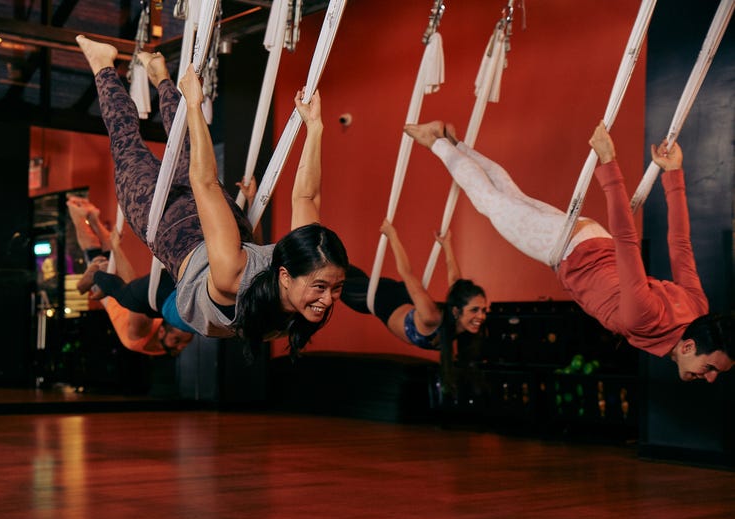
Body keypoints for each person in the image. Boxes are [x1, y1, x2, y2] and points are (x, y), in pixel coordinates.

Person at [74, 38, 348, 360]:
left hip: (172, 227)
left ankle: (104, 64)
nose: (328, 299)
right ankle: (158, 76)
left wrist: (194, 104)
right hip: (201, 228)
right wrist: (314, 127)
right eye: (322, 287)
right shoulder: (263, 268)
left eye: (334, 288)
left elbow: (206, 182)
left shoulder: (255, 277)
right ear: (284, 274)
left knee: (127, 146)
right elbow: (305, 196)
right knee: (183, 143)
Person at [404, 120, 735, 382]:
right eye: (709, 369)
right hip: (565, 248)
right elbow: (627, 242)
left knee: (509, 196)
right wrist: (608, 164)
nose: (707, 378)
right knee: (488, 202)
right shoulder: (645, 318)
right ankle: (435, 141)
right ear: (690, 346)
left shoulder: (697, 308)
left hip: (590, 238)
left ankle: (454, 144)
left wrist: (674, 173)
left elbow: (680, 245)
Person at [342, 222, 488, 396]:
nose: (481, 316)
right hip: (381, 297)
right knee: (334, 277)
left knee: (342, 269)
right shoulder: (431, 317)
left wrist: (446, 244)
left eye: (483, 310)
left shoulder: (458, 320)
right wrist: (392, 235)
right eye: (475, 310)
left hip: (404, 298)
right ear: (456, 311)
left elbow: (455, 280)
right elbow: (406, 272)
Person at [69, 197, 193, 357]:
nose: (180, 347)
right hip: (123, 293)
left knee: (94, 251)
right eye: (184, 342)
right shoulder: (161, 346)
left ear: (162, 332)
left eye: (177, 340)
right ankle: (93, 217)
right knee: (109, 253)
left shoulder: (141, 331)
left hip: (112, 291)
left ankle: (76, 214)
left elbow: (130, 291)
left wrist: (116, 248)